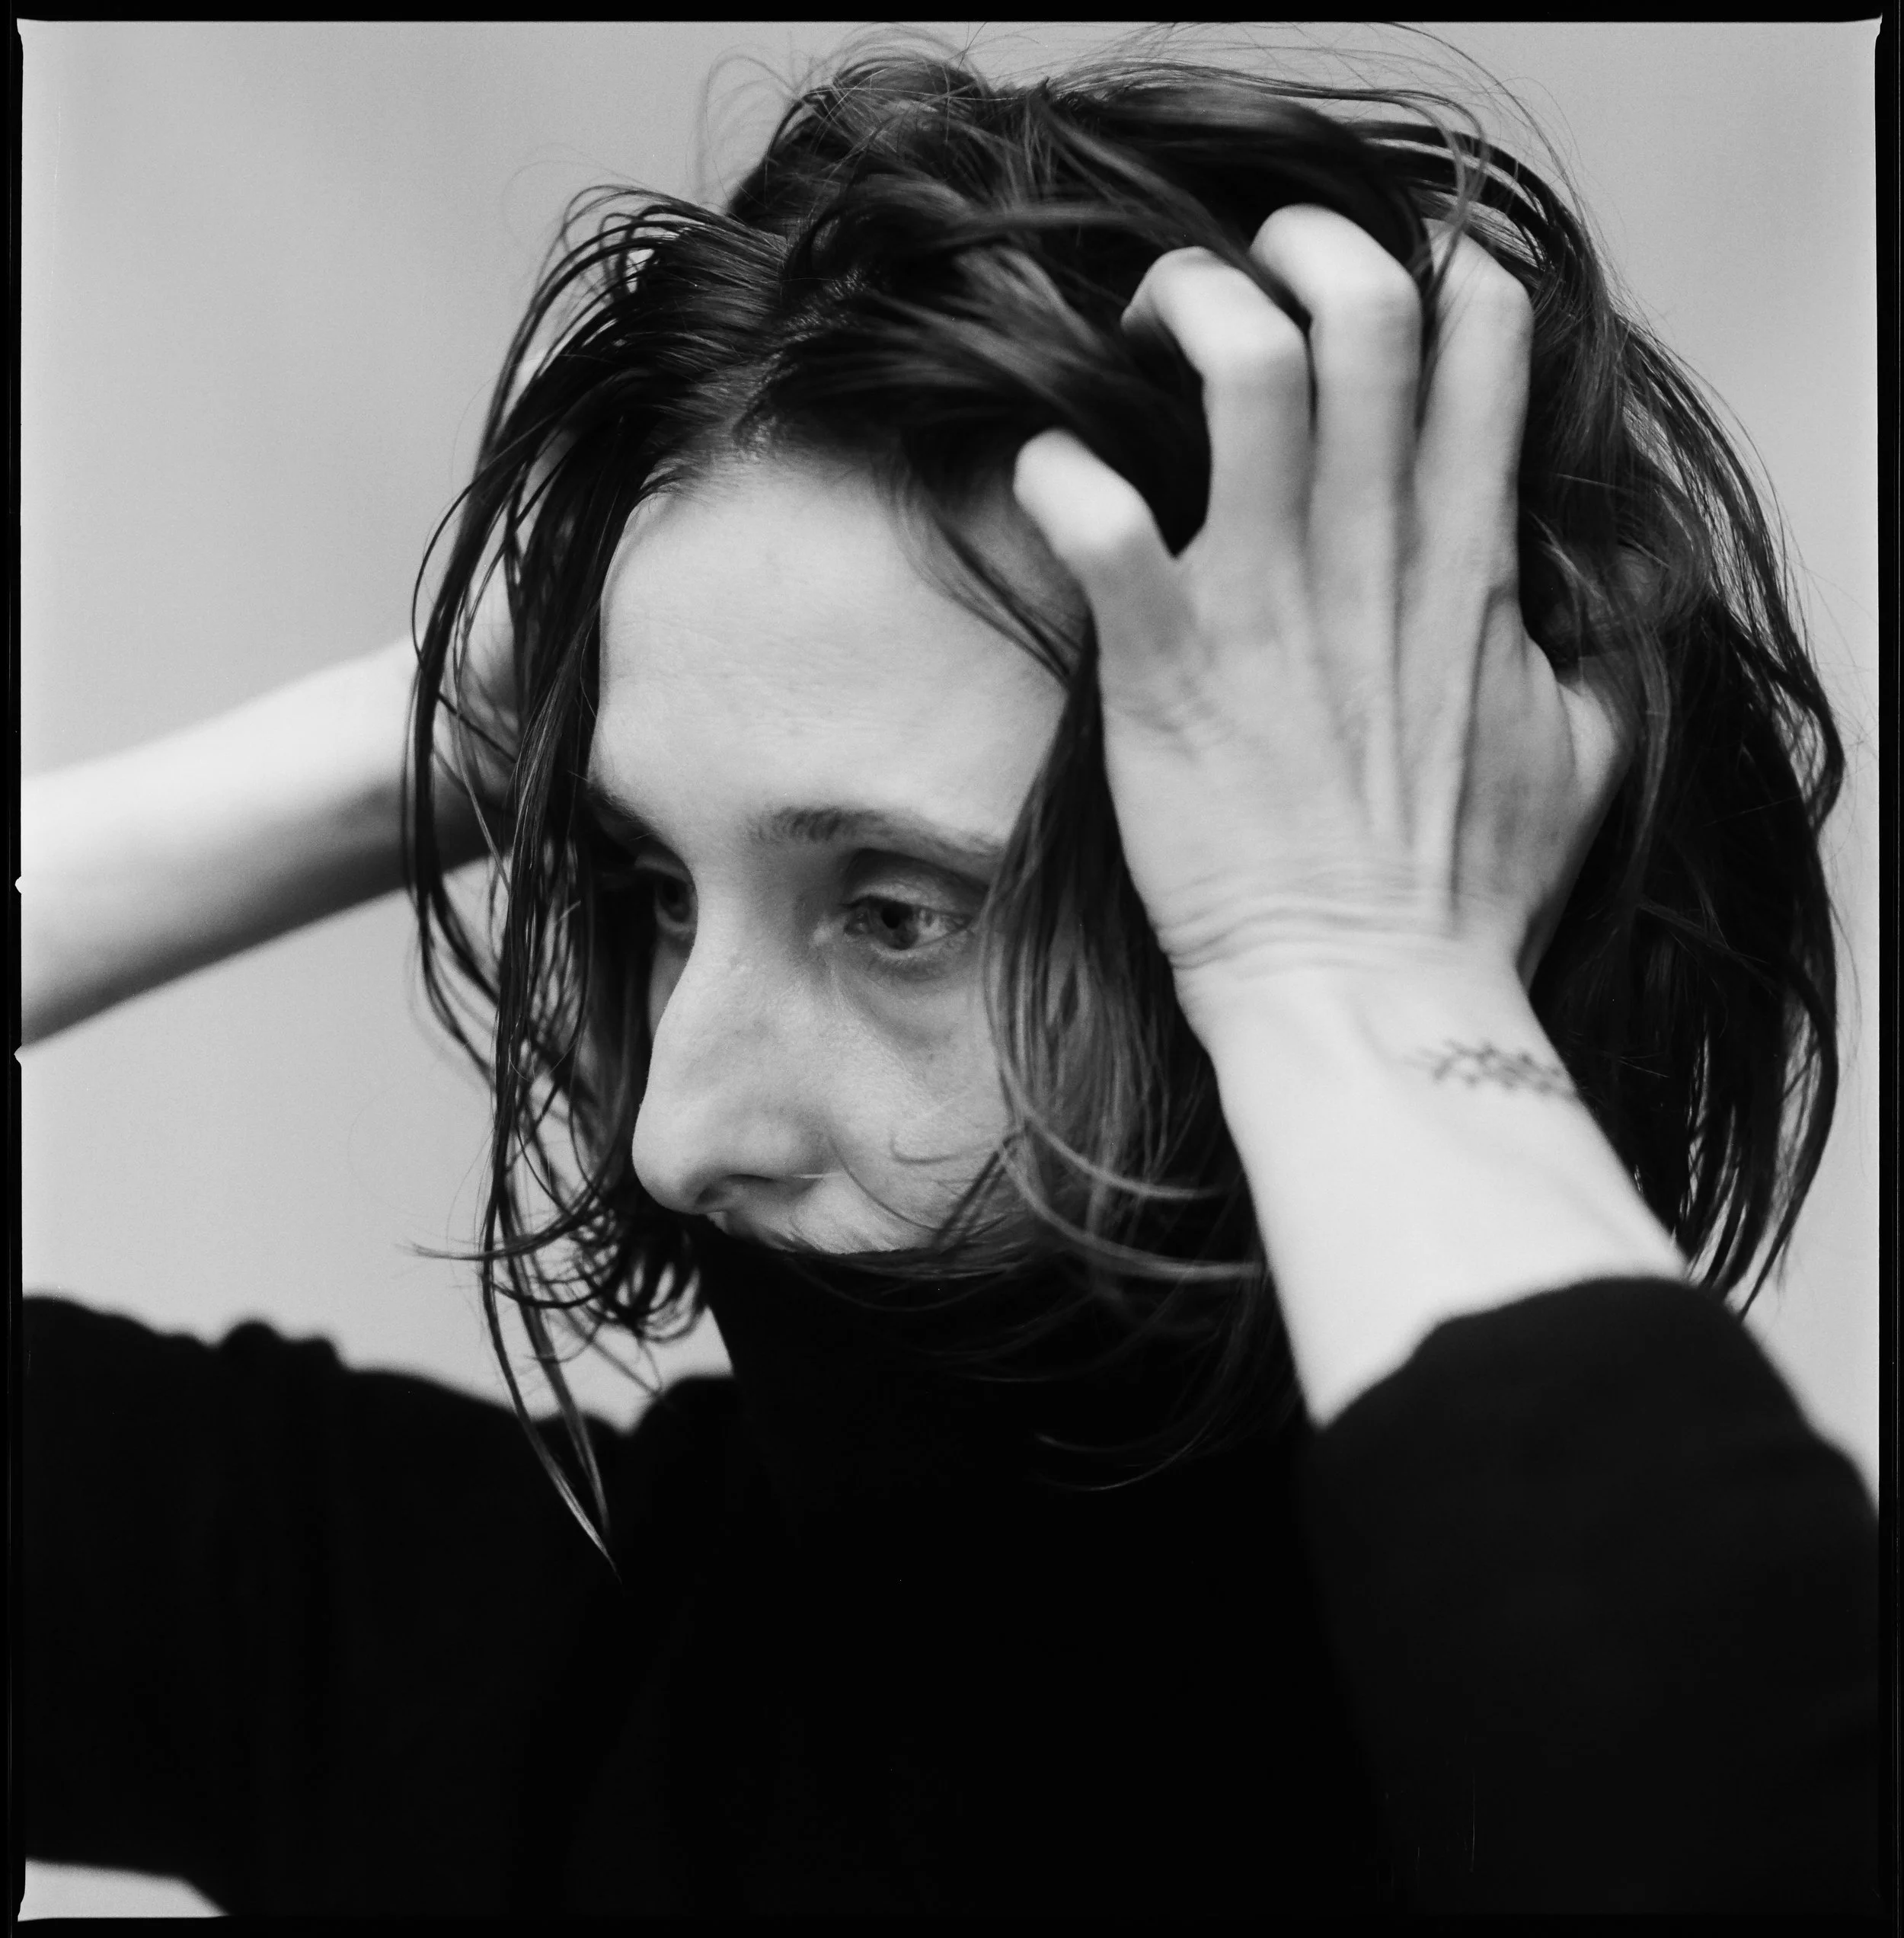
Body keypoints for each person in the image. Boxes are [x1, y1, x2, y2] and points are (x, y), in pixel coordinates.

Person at [19, 43, 1881, 1917]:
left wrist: (1356, 957)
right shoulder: (492, 1665)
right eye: (651, 882)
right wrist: (425, 735)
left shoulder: (1626, 1720)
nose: (677, 1127)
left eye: (899, 908)